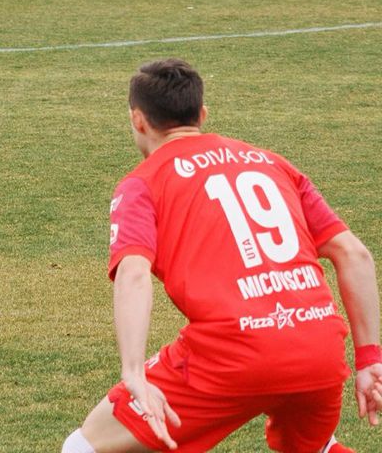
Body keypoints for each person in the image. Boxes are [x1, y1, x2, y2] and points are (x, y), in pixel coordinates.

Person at [61, 58, 382, 453]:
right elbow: (354, 254)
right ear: (202, 114)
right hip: (318, 351)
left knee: (84, 447)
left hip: (230, 354)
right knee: (314, 448)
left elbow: (134, 273)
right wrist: (369, 359)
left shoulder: (142, 183)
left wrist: (133, 372)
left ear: (138, 120)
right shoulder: (272, 163)